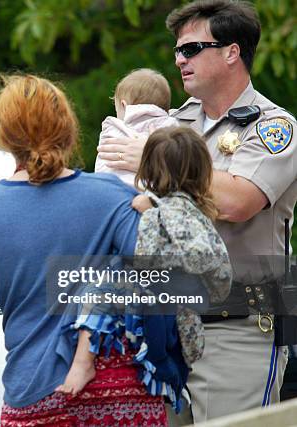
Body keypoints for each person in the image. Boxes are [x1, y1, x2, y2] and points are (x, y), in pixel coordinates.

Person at [96, 0, 297, 422]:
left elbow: (238, 201)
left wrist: (152, 161)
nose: (178, 59)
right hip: (165, 325)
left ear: (231, 52)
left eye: (190, 49)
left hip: (237, 327)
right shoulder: (171, 125)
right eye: (176, 50)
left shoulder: (273, 127)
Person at [0, 74, 178, 426]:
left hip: (35, 391)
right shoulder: (112, 195)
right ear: (68, 130)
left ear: (4, 137)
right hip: (122, 390)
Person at [58, 126, 232, 401]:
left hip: (165, 317)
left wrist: (152, 213)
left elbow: (147, 261)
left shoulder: (162, 210)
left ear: (149, 169)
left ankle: (83, 363)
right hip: (185, 317)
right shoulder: (196, 209)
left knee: (100, 285)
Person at [95, 68, 179, 186]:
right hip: (155, 192)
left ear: (123, 106)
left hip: (115, 190)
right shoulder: (172, 125)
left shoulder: (113, 127)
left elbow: (102, 166)